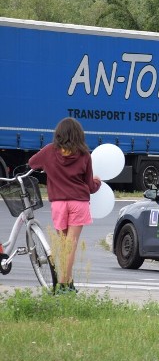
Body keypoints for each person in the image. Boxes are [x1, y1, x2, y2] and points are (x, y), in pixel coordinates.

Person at [28, 117, 101, 293]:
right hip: (79, 203)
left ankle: (68, 283)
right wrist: (97, 182)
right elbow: (90, 187)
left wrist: (48, 168)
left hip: (59, 204)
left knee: (63, 245)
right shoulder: (85, 155)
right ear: (79, 135)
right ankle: (63, 284)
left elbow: (31, 163)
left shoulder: (48, 152)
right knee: (72, 244)